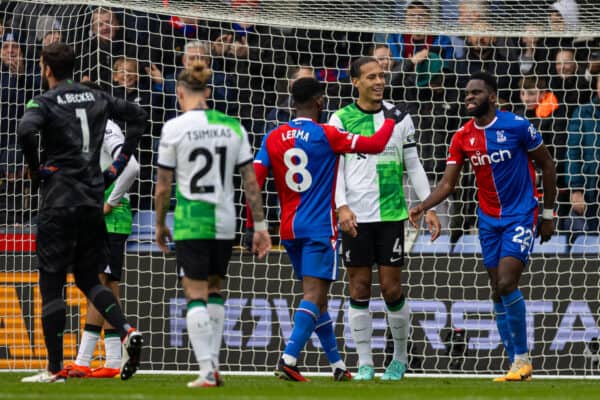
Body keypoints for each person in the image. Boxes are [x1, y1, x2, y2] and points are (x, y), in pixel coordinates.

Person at [246, 76, 405, 382]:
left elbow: (254, 180)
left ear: (292, 101)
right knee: (314, 295)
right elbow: (375, 144)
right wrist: (389, 121)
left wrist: (254, 226)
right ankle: (289, 358)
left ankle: (337, 364)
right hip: (320, 228)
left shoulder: (273, 136)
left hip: (289, 228)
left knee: (316, 299)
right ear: (320, 101)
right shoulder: (328, 134)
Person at [408, 71, 557, 382]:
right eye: (467, 94)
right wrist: (423, 205)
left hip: (521, 214)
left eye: (476, 93)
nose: (469, 98)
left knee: (505, 283)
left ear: (492, 96)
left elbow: (546, 164)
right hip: (488, 221)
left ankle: (522, 358)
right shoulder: (462, 136)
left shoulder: (516, 126)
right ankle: (517, 364)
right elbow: (448, 184)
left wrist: (548, 214)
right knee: (497, 291)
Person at [17, 42, 147, 382]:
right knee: (90, 279)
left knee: (52, 285)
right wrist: (115, 166)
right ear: (73, 67)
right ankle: (125, 329)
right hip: (92, 203)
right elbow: (138, 116)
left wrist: (35, 170)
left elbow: (24, 130)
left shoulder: (44, 101)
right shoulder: (98, 97)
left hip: (58, 203)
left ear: (46, 67)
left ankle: (54, 368)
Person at [154, 60, 271, 388]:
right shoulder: (233, 126)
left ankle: (207, 369)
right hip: (225, 220)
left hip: (192, 221)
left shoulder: (174, 128)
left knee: (194, 294)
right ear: (208, 91)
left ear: (180, 92)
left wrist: (160, 224)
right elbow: (251, 182)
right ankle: (214, 366)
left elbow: (163, 185)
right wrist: (260, 226)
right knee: (215, 289)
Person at [330, 56, 441, 381]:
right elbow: (335, 168)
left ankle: (400, 358)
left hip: (391, 214)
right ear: (355, 82)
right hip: (355, 216)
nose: (379, 81)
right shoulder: (341, 119)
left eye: (382, 75)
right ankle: (365, 362)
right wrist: (341, 206)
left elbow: (413, 163)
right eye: (371, 76)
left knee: (392, 290)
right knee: (359, 288)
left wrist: (428, 204)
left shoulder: (399, 116)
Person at [68, 116, 140, 378]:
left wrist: (110, 201)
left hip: (110, 219)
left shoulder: (106, 126)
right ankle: (111, 360)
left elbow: (131, 167)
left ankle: (84, 359)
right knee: (108, 288)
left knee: (96, 285)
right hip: (100, 220)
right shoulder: (82, 128)